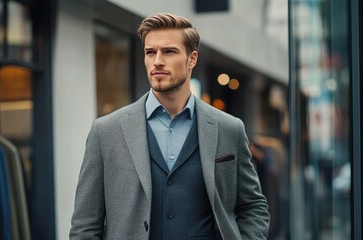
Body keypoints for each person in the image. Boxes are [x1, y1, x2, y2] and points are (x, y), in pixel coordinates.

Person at [69, 13, 270, 240]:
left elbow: (252, 206)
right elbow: (85, 225)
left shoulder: (229, 128)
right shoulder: (106, 131)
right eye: (150, 52)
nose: (157, 61)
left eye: (169, 51)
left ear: (192, 59)